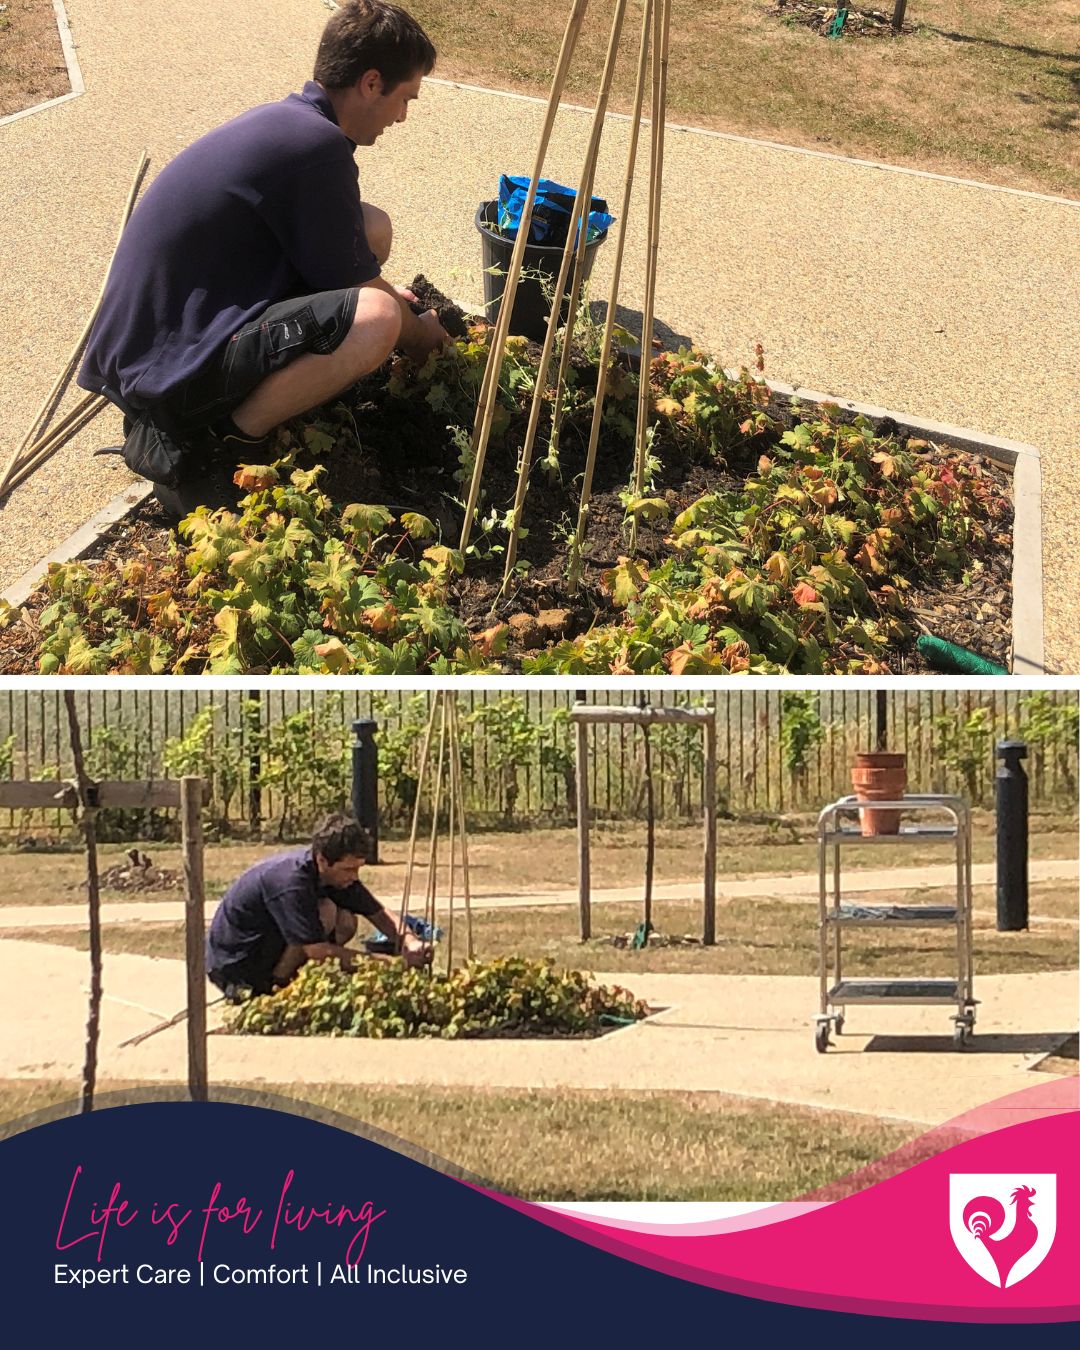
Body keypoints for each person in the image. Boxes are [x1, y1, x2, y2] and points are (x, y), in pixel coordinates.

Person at [77, 0, 450, 517]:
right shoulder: (318, 146)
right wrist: (421, 335)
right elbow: (369, 299)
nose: (403, 116)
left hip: (155, 345)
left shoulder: (293, 122)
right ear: (370, 83)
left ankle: (252, 404)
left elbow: (348, 262)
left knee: (371, 229)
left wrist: (372, 287)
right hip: (168, 376)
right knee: (381, 320)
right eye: (405, 98)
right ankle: (226, 444)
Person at [205, 812, 429, 1001]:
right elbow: (317, 951)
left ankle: (292, 977)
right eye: (349, 869)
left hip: (268, 946)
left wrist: (409, 940)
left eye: (358, 869)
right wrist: (388, 965)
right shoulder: (291, 883)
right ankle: (275, 986)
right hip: (237, 967)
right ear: (322, 859)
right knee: (323, 916)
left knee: (345, 919)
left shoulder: (333, 875)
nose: (354, 876)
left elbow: (378, 912)